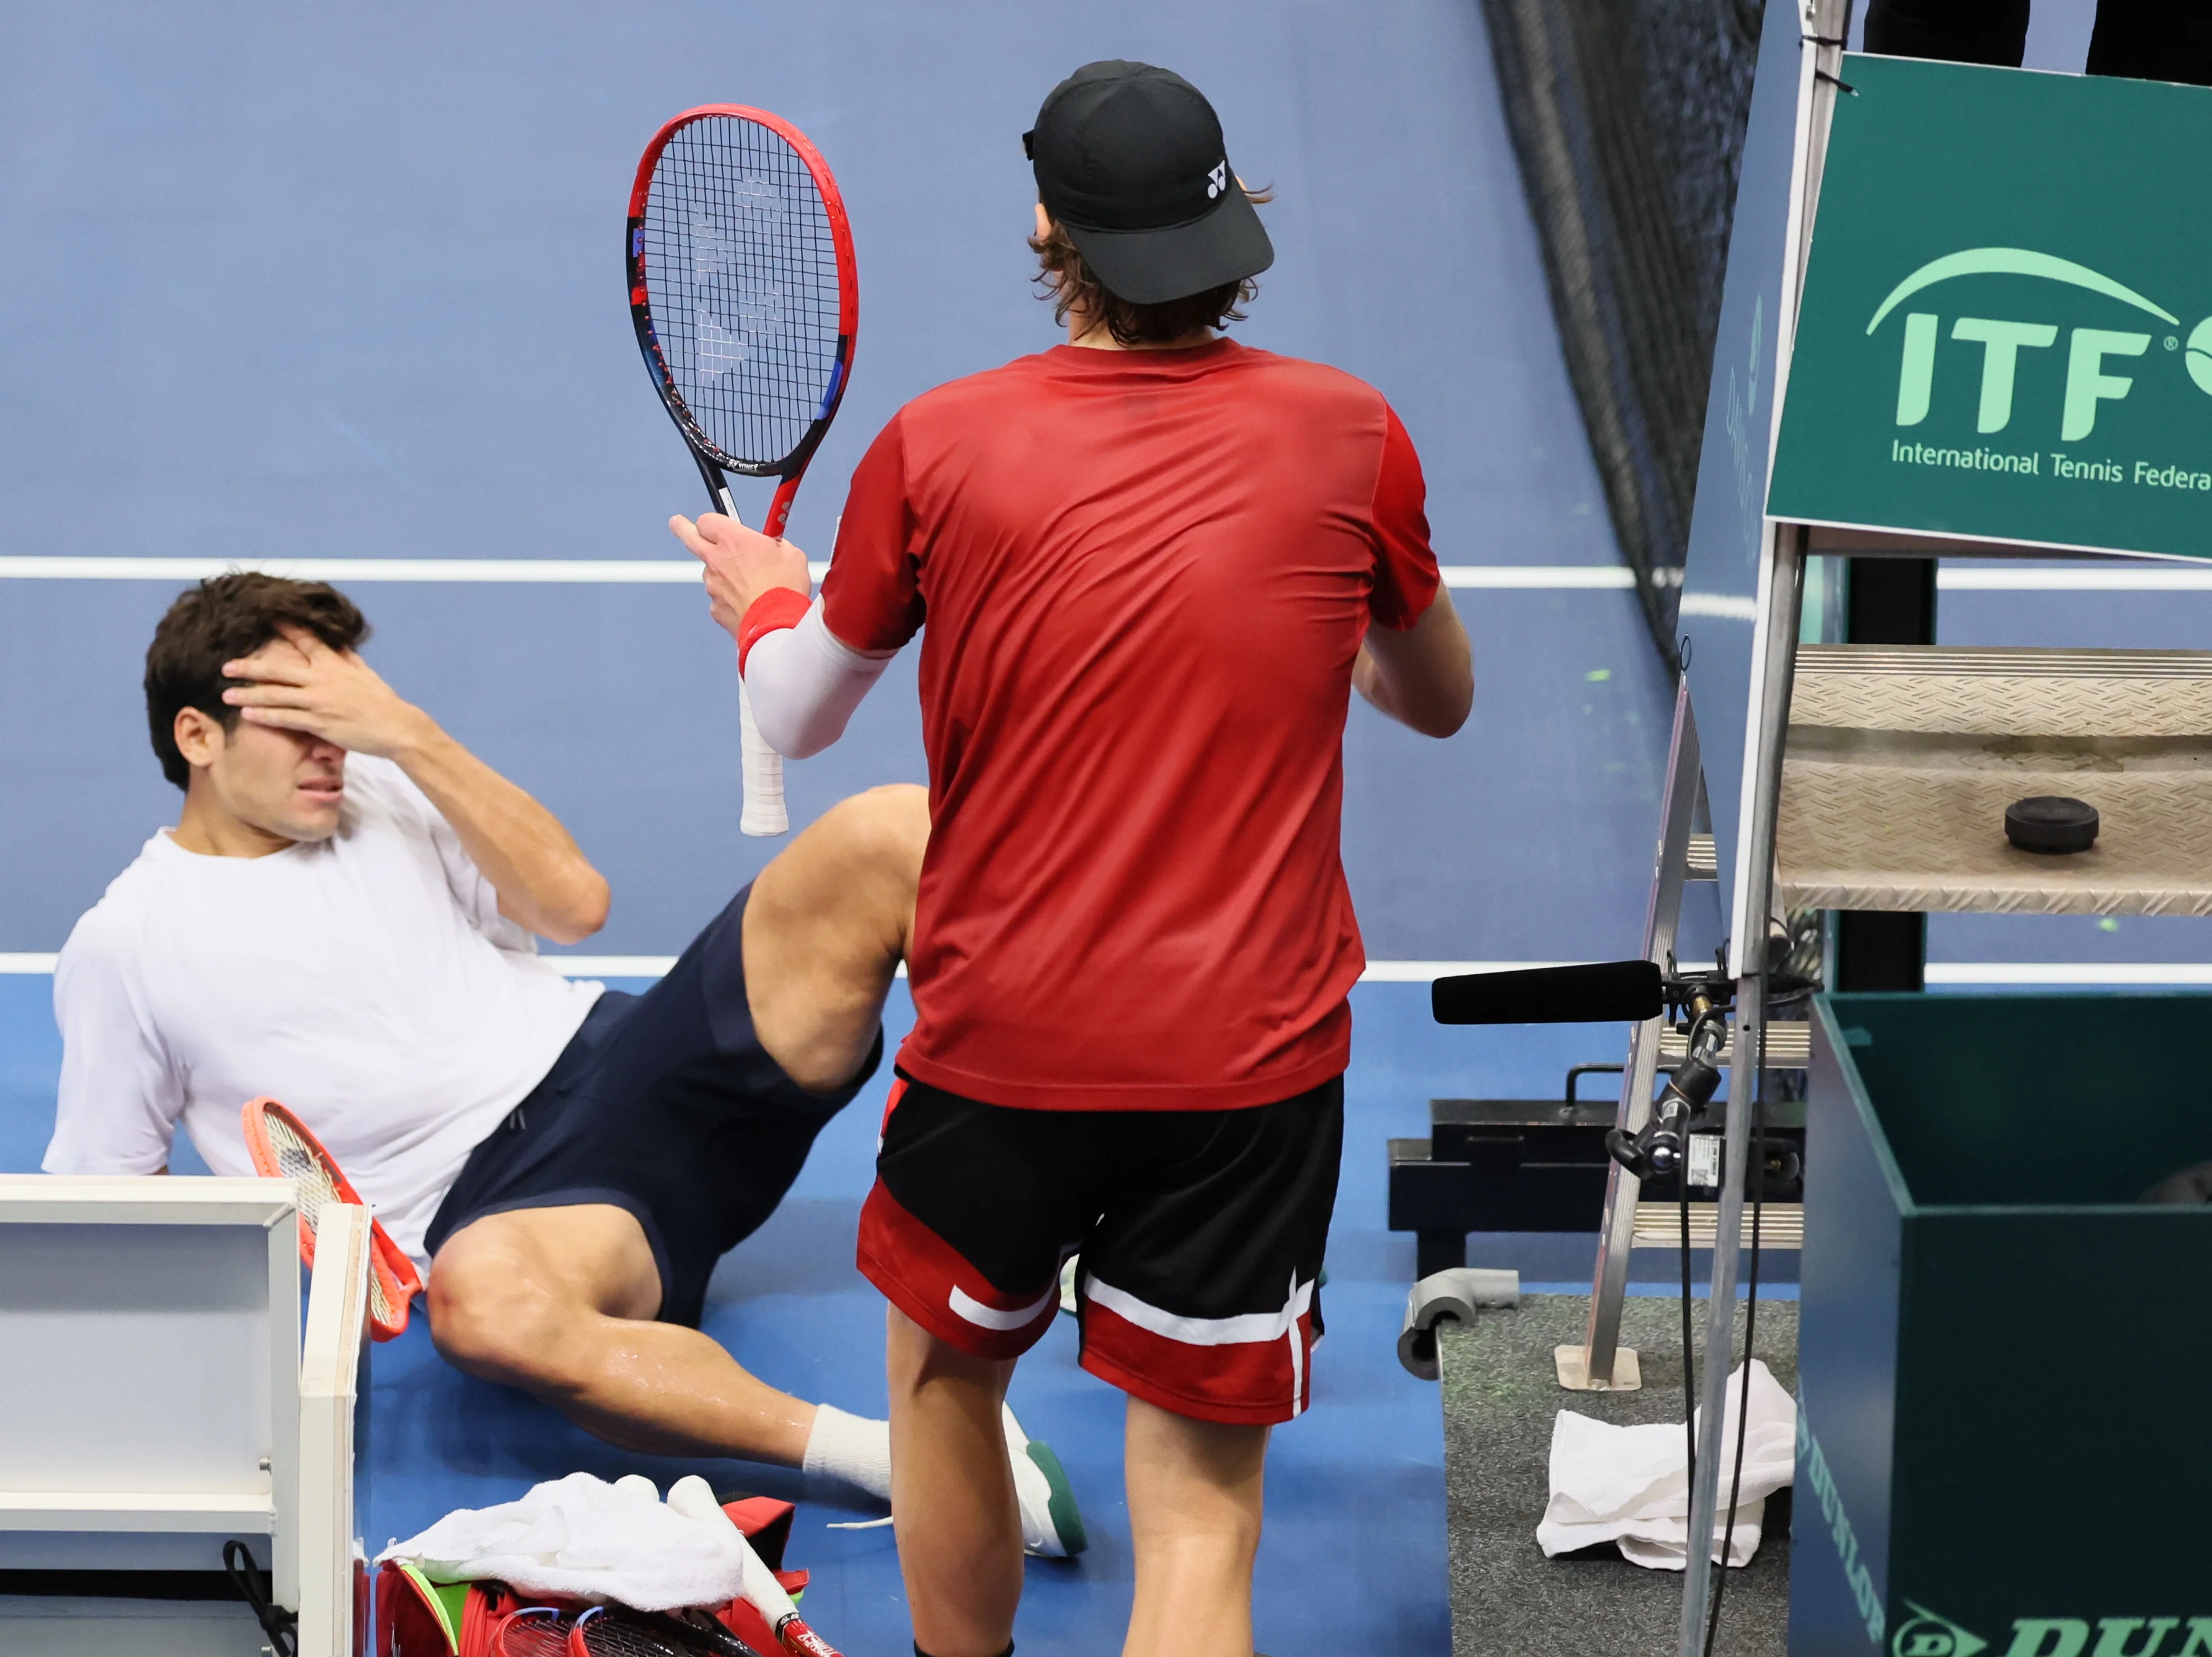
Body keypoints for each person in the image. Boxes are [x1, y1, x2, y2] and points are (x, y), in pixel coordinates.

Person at [671, 60, 1473, 1657]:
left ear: (1049, 226)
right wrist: (1334, 621)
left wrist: (764, 593)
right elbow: (1434, 698)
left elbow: (798, 711)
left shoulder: (940, 446)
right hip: (1247, 1071)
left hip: (1006, 1052)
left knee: (941, 1380)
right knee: (1195, 1503)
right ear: (1226, 222)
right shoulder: (1349, 434)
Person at [42, 572, 1084, 1558]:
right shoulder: (129, 942)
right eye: (299, 722)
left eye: (342, 714)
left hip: (634, 1059)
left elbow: (575, 906)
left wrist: (407, 734)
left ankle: (1086, 1190)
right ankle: (915, 1462)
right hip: (529, 1217)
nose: (334, 750)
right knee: (481, 1308)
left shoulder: (392, 794)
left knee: (889, 832)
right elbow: (108, 1204)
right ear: (197, 737)